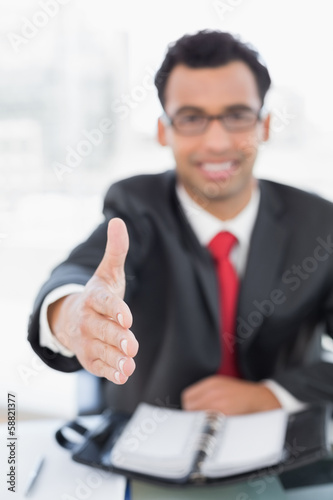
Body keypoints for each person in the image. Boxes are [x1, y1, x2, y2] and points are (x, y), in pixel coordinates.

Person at [28, 30, 333, 415]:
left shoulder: (320, 223)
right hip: (150, 451)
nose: (217, 142)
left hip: (286, 457)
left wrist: (271, 395)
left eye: (237, 116)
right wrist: (72, 314)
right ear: (163, 131)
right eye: (191, 119)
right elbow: (77, 274)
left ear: (264, 126)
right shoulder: (138, 207)